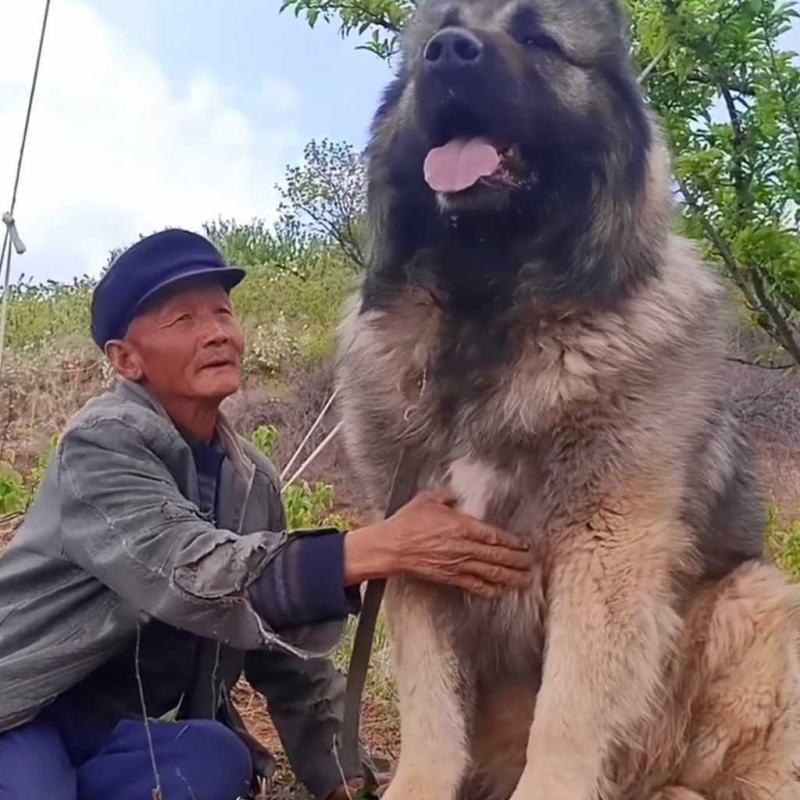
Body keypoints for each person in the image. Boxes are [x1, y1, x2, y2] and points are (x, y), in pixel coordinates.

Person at [0, 229, 532, 800]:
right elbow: (189, 572)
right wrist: (381, 547)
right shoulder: (100, 447)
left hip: (115, 739)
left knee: (213, 760)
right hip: (24, 711)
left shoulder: (250, 479)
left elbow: (282, 656)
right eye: (183, 320)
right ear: (125, 359)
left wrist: (347, 778)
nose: (217, 333)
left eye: (223, 313)